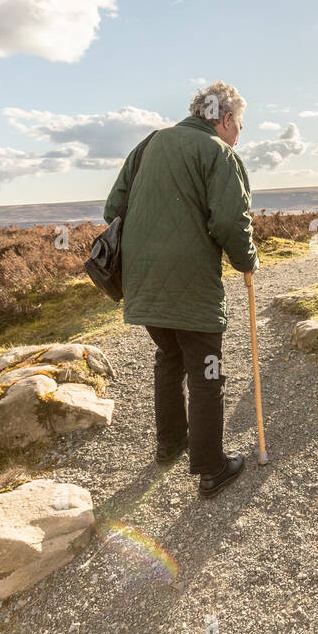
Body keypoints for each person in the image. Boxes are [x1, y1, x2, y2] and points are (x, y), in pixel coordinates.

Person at [103, 81, 259, 498]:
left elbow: (112, 209)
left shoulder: (149, 144)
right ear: (225, 119)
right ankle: (211, 468)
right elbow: (229, 222)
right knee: (207, 370)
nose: (239, 133)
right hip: (190, 285)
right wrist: (248, 262)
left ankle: (171, 445)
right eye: (240, 125)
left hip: (141, 280)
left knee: (169, 358)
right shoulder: (219, 153)